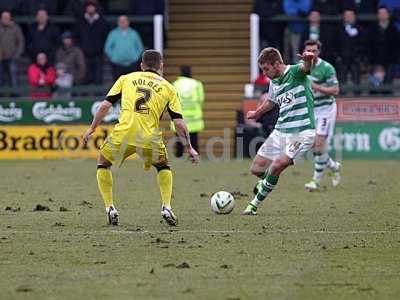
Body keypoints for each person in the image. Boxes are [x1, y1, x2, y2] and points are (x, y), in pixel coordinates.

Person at [82, 50, 199, 226]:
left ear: (142, 65)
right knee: (162, 166)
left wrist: (92, 128)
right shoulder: (169, 88)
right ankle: (166, 206)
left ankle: (110, 207)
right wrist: (189, 147)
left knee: (103, 163)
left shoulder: (126, 78)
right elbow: (179, 122)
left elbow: (105, 105)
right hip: (149, 138)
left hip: (123, 134)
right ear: (161, 66)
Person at [241, 47, 316, 215]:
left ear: (276, 64)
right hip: (280, 131)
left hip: (302, 133)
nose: (265, 73)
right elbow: (271, 101)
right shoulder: (273, 81)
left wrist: (308, 59)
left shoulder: (295, 72)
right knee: (256, 169)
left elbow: (306, 68)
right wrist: (256, 113)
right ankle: (267, 181)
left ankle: (253, 205)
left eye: (266, 69)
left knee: (277, 165)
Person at [302, 40, 341, 191]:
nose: (311, 53)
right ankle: (333, 166)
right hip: (311, 110)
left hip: (326, 109)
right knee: (313, 146)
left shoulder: (326, 68)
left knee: (318, 143)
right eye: (308, 51)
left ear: (319, 52)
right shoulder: (301, 67)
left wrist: (316, 86)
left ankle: (315, 181)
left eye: (314, 50)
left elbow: (335, 90)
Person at [172, 65, 204, 157]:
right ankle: (194, 157)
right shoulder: (197, 84)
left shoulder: (175, 84)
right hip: (194, 118)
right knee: (194, 140)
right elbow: (201, 100)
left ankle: (179, 157)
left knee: (179, 140)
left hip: (179, 117)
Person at [75, 0, 109, 84]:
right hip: (84, 53)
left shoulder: (102, 21)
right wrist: (81, 47)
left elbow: (105, 36)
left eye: (92, 6)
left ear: (95, 8)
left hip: (98, 53)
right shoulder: (81, 21)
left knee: (98, 77)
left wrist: (101, 47)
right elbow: (77, 36)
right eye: (88, 7)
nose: (90, 8)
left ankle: (97, 97)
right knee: (85, 76)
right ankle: (85, 96)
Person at [104, 15, 144, 80]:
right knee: (118, 86)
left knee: (131, 84)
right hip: (117, 65)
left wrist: (135, 57)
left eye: (124, 21)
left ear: (128, 22)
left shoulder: (134, 33)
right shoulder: (113, 33)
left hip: (132, 64)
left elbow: (140, 47)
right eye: (120, 21)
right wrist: (114, 57)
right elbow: (107, 48)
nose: (122, 22)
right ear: (118, 23)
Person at [367, 7, 399, 85]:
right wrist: (371, 60)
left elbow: (397, 47)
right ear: (378, 15)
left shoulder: (394, 30)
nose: (382, 15)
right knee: (375, 87)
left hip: (390, 62)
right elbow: (368, 45)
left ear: (388, 15)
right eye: (380, 13)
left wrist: (394, 59)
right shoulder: (372, 29)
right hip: (375, 62)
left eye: (384, 13)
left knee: (387, 87)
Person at [335, 9, 363, 94]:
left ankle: (357, 100)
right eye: (347, 16)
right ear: (343, 17)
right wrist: (337, 56)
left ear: (354, 17)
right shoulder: (338, 29)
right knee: (342, 81)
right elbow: (335, 43)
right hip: (342, 59)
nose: (349, 18)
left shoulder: (360, 29)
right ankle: (342, 101)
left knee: (357, 81)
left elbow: (363, 43)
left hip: (355, 59)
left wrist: (359, 57)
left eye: (351, 16)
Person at [0, 11, 25, 89]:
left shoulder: (15, 28)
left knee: (13, 75)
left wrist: (17, 54)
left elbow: (21, 41)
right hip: (0, 57)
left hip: (12, 57)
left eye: (7, 18)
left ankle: (15, 93)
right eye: (4, 18)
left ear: (10, 18)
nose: (5, 19)